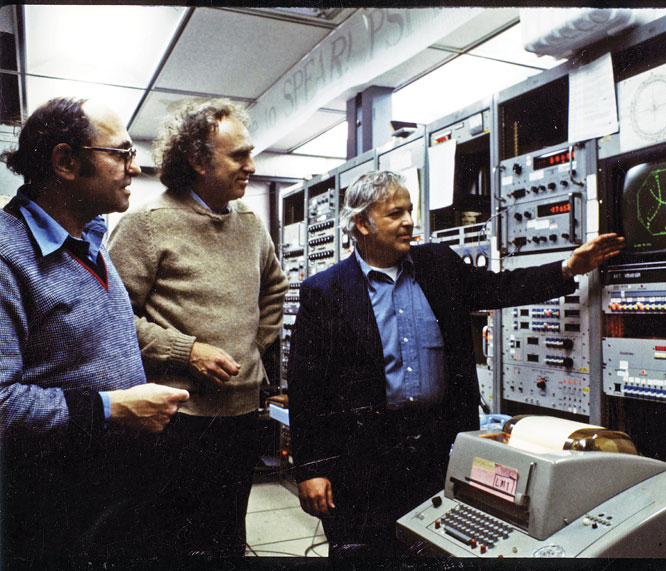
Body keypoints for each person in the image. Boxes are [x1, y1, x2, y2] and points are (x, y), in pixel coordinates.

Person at [287, 170, 625, 556]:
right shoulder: (326, 291)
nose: (409, 221)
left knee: (440, 550)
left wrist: (568, 268)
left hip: (439, 449)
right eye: (395, 213)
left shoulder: (437, 264)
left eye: (410, 210)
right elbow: (306, 388)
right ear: (363, 224)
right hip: (365, 461)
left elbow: (498, 287)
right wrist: (311, 468)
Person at [0, 97, 190, 563]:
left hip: (115, 490)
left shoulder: (91, 239)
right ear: (66, 161)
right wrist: (113, 408)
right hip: (53, 503)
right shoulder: (7, 256)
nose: (136, 168)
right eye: (122, 154)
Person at [107, 98, 289, 557]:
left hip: (241, 416)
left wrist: (253, 345)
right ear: (197, 159)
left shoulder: (250, 223)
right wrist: (186, 352)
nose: (251, 164)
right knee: (173, 544)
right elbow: (111, 317)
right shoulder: (146, 226)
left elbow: (275, 289)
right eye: (239, 155)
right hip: (176, 422)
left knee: (227, 539)